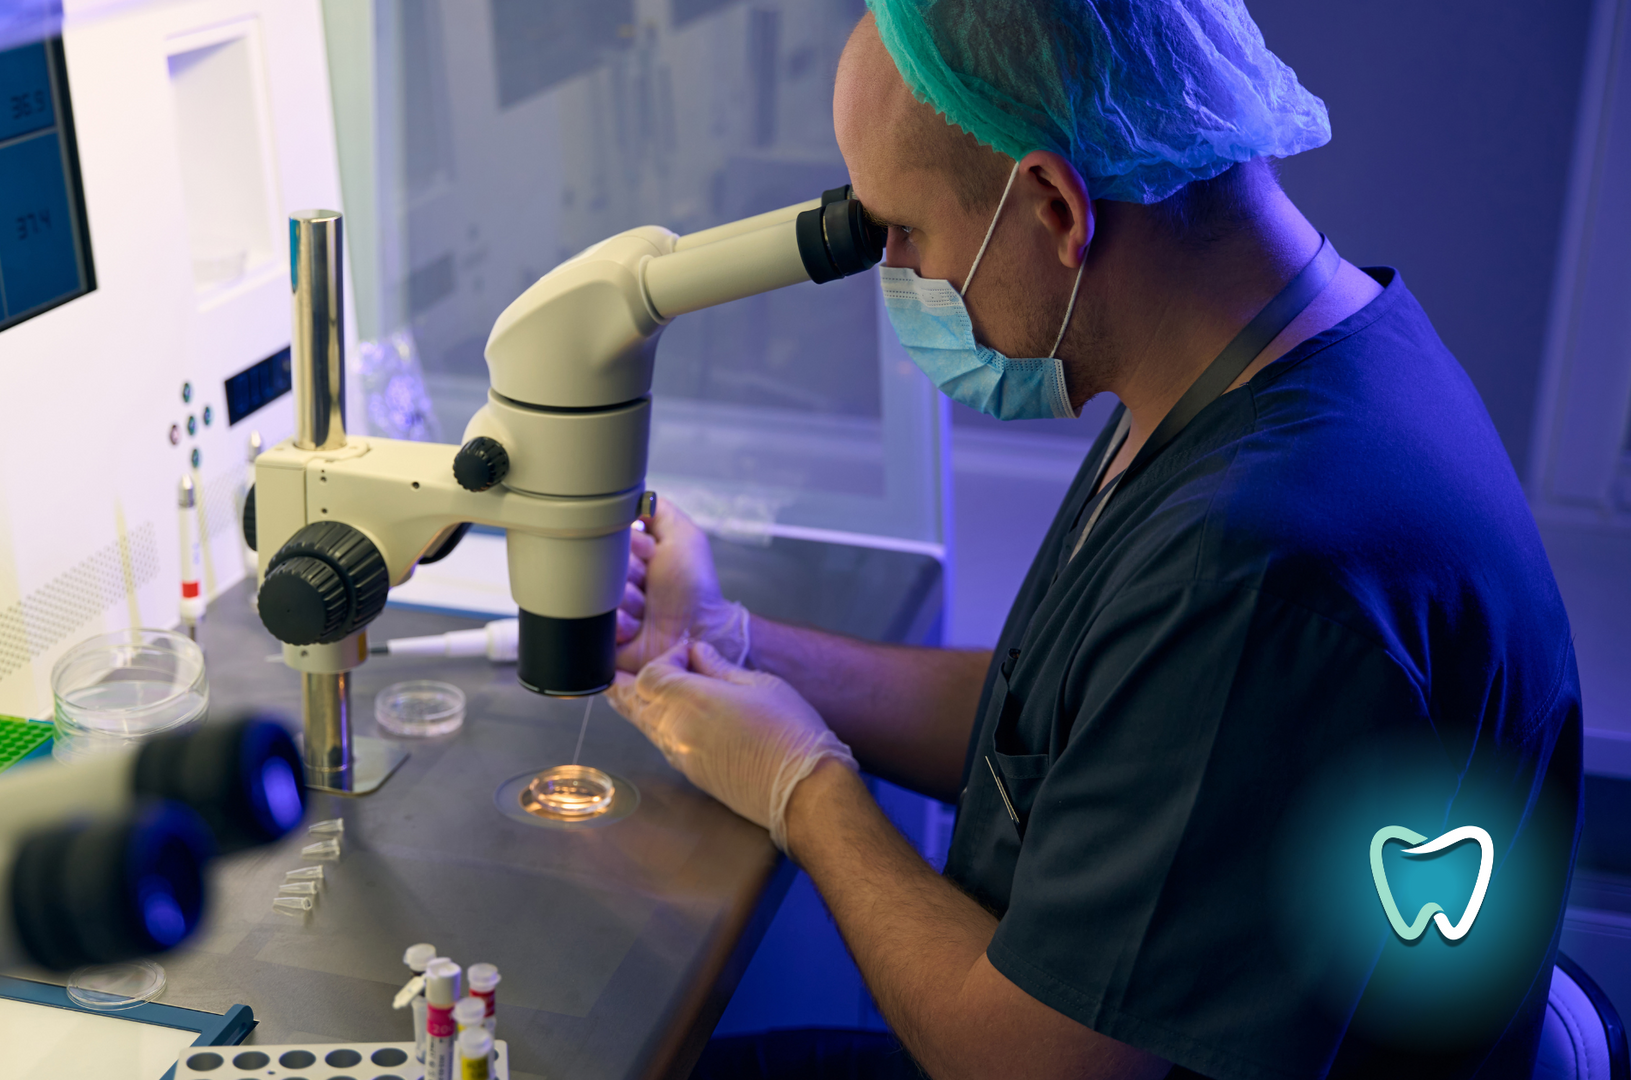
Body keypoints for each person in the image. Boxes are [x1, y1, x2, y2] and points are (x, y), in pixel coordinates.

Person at [605, 2, 1583, 1078]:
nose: (901, 276)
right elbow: (1089, 719)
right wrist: (737, 643)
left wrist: (807, 791)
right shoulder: (1245, 358)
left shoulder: (1262, 562)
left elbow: (1029, 1062)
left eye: (907, 235)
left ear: (1056, 209)